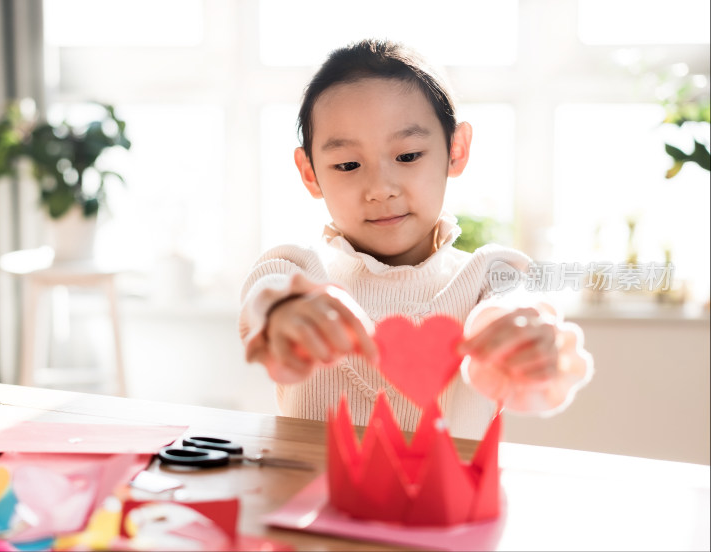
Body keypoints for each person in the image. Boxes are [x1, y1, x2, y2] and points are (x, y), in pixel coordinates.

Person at [239, 39, 592, 439]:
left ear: (456, 150)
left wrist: (521, 336)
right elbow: (267, 296)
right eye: (348, 164)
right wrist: (285, 312)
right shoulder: (298, 270)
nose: (381, 188)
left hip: (445, 502)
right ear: (309, 172)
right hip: (311, 498)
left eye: (407, 156)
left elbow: (510, 306)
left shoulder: (492, 276)